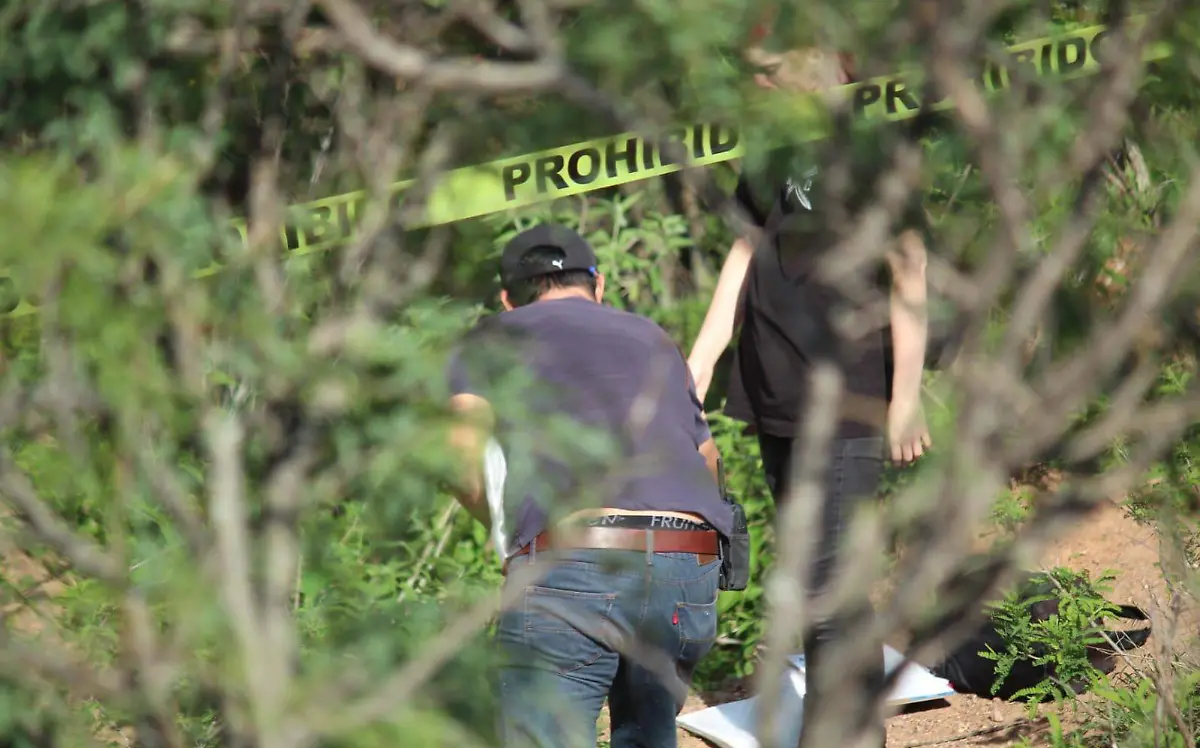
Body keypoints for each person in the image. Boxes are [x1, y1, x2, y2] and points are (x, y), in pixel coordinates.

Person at [685, 42, 933, 748]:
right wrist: (702, 357)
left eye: (770, 73)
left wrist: (905, 396)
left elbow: (910, 270)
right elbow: (742, 251)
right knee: (816, 576)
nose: (757, 85)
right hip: (774, 391)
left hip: (850, 396)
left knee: (825, 583)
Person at [444, 223, 736, 748]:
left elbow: (459, 460)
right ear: (598, 285)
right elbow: (707, 461)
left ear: (508, 299)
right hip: (687, 565)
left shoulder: (492, 336)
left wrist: (509, 534)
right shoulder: (652, 336)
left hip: (573, 560)